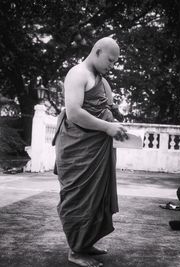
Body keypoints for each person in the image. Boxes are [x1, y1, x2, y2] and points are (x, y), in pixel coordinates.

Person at [52, 37, 128, 267]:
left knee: (96, 199)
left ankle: (86, 243)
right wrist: (107, 127)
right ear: (97, 51)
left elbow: (107, 109)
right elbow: (74, 113)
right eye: (110, 60)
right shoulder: (78, 73)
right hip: (78, 149)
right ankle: (75, 250)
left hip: (97, 149)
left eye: (115, 63)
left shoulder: (102, 80)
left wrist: (116, 125)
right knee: (78, 198)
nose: (111, 66)